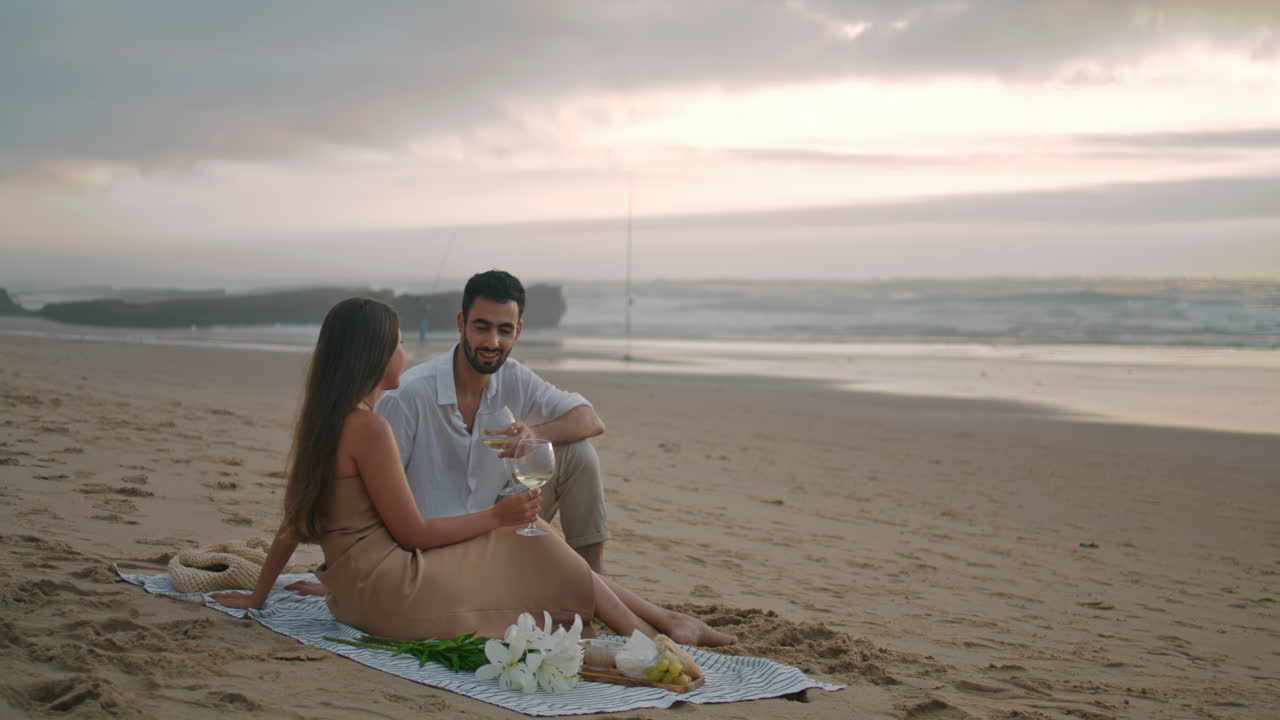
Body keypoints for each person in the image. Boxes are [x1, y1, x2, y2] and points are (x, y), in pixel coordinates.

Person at [212, 297, 733, 647]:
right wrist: (498, 517)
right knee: (533, 538)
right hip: (389, 593)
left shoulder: (326, 421)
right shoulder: (369, 428)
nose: (405, 352)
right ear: (374, 355)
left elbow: (292, 521)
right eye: (398, 343)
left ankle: (661, 624)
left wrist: (258, 596)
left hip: (353, 594)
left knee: (534, 539)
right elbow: (411, 533)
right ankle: (648, 636)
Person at [377, 270, 610, 572]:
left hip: (495, 527)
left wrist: (534, 432)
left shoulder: (514, 376)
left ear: (518, 331)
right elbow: (372, 500)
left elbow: (589, 419)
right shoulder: (408, 396)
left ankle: (593, 576)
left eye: (504, 330)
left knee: (577, 453)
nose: (493, 342)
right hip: (431, 546)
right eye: (482, 327)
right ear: (461, 323)